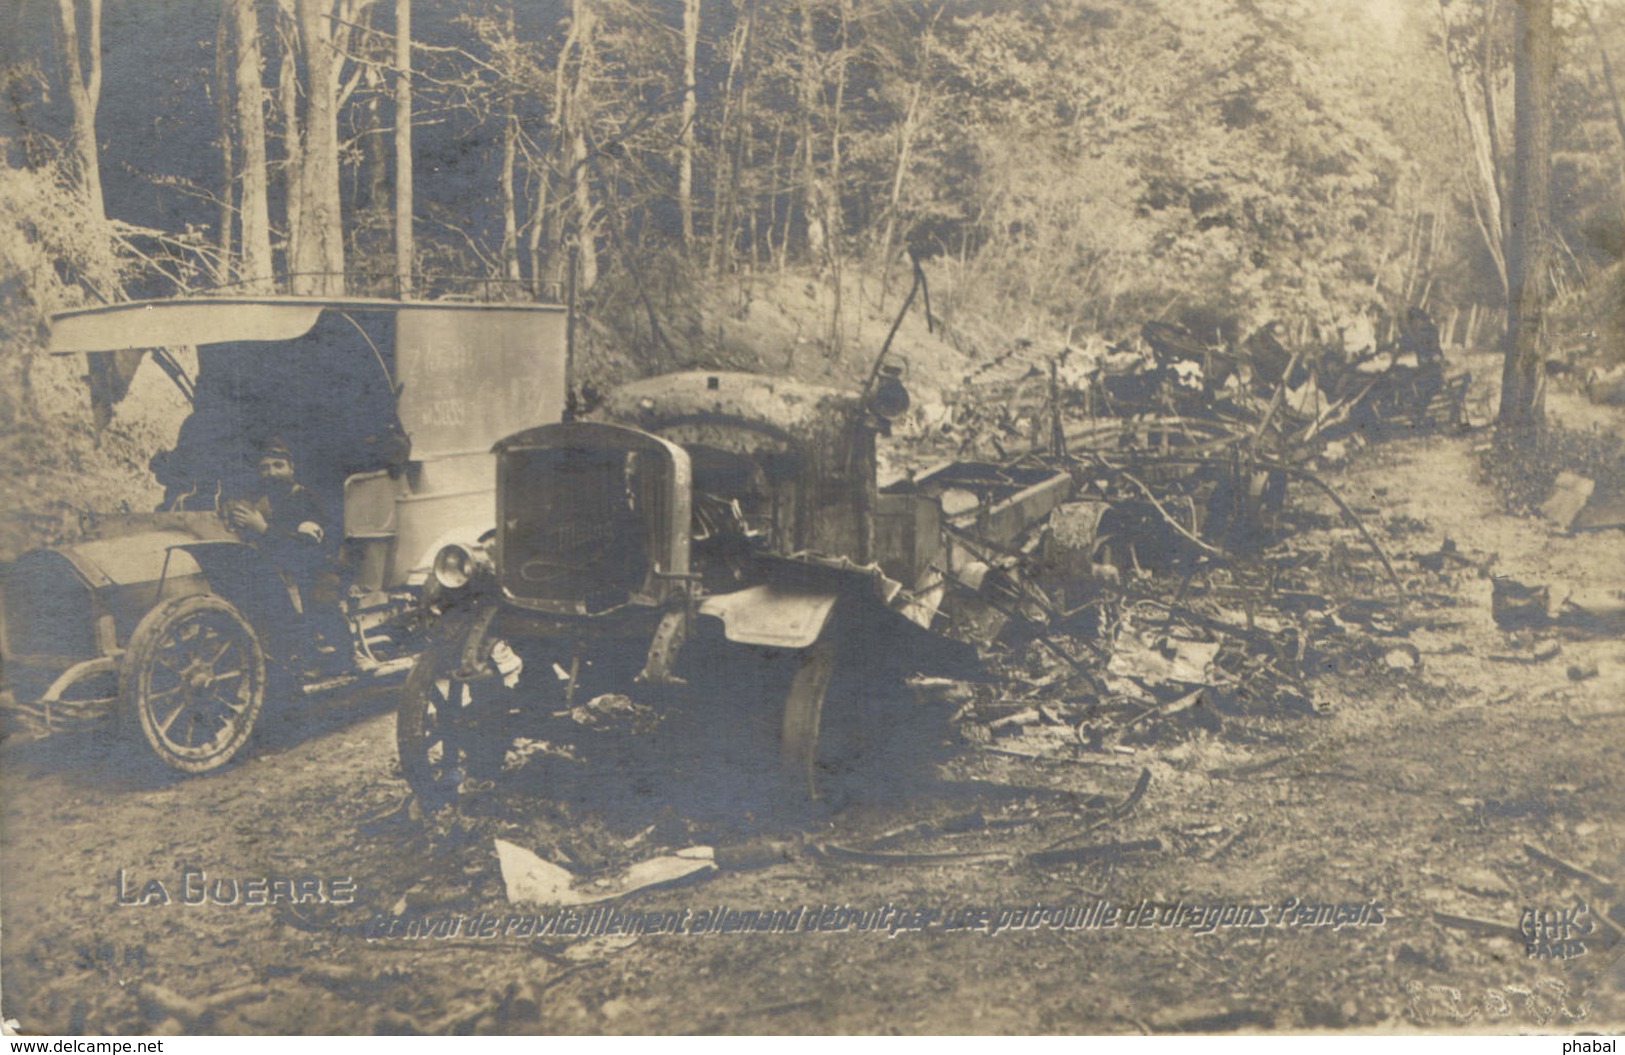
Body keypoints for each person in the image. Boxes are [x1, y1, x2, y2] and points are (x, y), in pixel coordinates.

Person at [226, 440, 353, 675]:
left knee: (321, 598)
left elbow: (306, 550)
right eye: (265, 468)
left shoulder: (306, 499)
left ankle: (347, 656)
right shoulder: (261, 504)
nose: (271, 473)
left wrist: (263, 528)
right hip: (279, 572)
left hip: (315, 569)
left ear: (291, 469)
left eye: (278, 465)